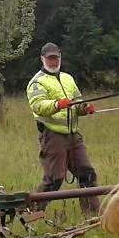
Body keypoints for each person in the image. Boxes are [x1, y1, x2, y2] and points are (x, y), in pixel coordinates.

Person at [27, 42, 99, 217]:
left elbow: (77, 101)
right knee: (54, 180)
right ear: (42, 59)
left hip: (73, 136)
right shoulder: (37, 83)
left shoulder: (68, 78)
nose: (53, 62)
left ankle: (93, 217)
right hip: (52, 136)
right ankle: (31, 212)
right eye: (50, 59)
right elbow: (38, 106)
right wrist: (57, 104)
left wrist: (85, 107)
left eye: (56, 58)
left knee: (87, 174)